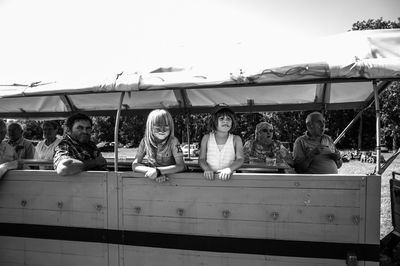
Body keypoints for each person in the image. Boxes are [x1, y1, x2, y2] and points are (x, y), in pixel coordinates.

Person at [132, 109, 185, 182]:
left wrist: (159, 171)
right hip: (153, 177)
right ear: (150, 127)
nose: (162, 130)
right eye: (158, 127)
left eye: (166, 126)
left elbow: (181, 166)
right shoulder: (145, 141)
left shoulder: (173, 141)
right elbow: (135, 165)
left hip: (172, 180)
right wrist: (151, 171)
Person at [198, 107, 244, 180]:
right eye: (221, 118)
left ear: (232, 122)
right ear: (214, 122)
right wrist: (207, 168)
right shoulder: (206, 138)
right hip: (210, 178)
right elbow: (201, 159)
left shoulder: (236, 139)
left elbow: (240, 159)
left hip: (229, 178)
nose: (225, 121)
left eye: (229, 119)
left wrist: (229, 169)